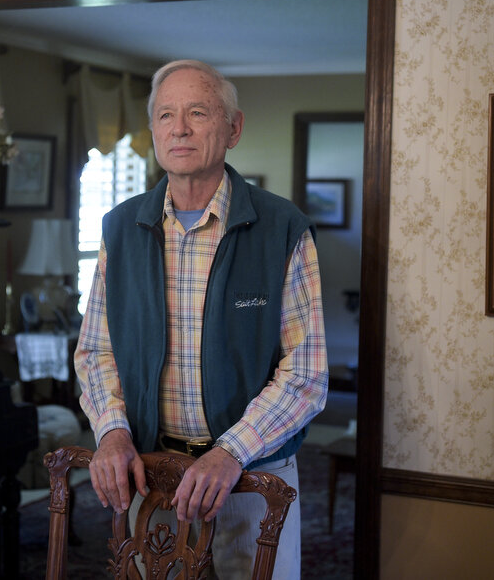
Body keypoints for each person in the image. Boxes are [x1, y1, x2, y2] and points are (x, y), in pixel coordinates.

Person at [74, 59, 328, 578]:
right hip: (151, 475)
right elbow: (96, 351)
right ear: (153, 132)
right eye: (166, 115)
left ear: (233, 129)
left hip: (253, 480)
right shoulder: (121, 228)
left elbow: (305, 374)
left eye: (197, 112)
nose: (179, 128)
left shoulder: (282, 228)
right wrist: (112, 433)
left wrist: (230, 453)